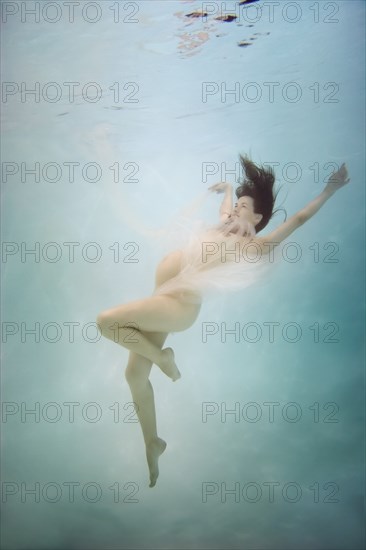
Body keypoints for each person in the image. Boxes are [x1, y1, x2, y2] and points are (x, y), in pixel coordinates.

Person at [96, 154, 350, 488]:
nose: (233, 212)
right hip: (162, 296)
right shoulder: (223, 224)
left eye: (242, 208)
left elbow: (299, 219)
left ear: (258, 217)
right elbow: (226, 207)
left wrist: (329, 191)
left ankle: (164, 360)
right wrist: (230, 190)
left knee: (106, 322)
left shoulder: (254, 244)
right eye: (234, 207)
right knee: (133, 376)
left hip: (177, 306)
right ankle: (153, 442)